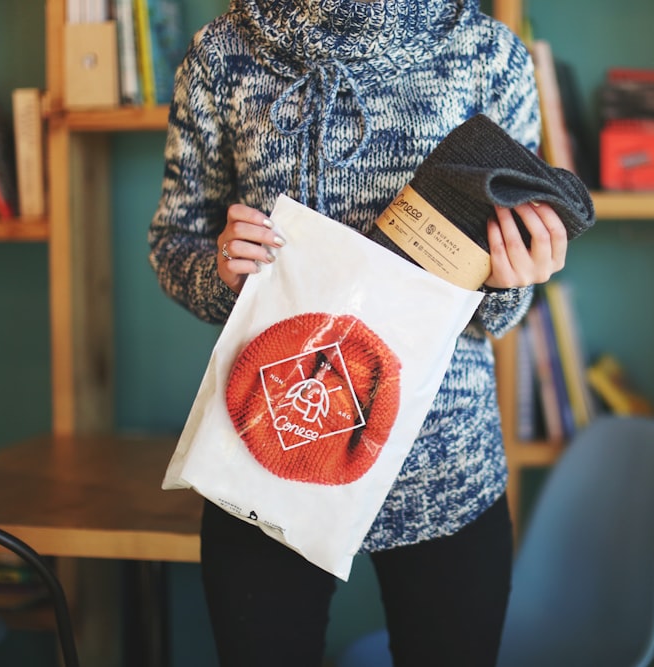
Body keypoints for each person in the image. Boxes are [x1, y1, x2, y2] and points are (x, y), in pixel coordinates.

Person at [147, 1, 568, 665]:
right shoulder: (222, 53)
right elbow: (174, 241)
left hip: (444, 474)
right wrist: (221, 269)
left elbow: (497, 316)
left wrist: (514, 280)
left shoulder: (491, 54)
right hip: (269, 451)